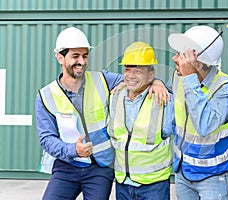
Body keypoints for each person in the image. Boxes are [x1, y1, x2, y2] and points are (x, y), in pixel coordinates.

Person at [35, 27, 169, 200]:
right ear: (60, 57)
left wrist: (157, 82)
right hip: (67, 165)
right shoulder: (45, 95)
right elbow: (46, 138)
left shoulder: (102, 79)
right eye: (75, 56)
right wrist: (72, 150)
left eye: (84, 56)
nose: (82, 61)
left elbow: (137, 79)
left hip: (100, 167)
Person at [167, 25, 228, 199]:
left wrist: (190, 79)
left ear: (197, 63)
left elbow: (204, 126)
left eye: (180, 55)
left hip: (212, 176)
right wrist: (156, 83)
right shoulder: (178, 78)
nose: (174, 58)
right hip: (183, 171)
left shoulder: (227, 89)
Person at [108, 41, 175, 200]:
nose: (131, 76)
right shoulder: (115, 95)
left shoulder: (164, 99)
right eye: (128, 70)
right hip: (122, 182)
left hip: (154, 186)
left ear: (151, 75)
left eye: (137, 71)